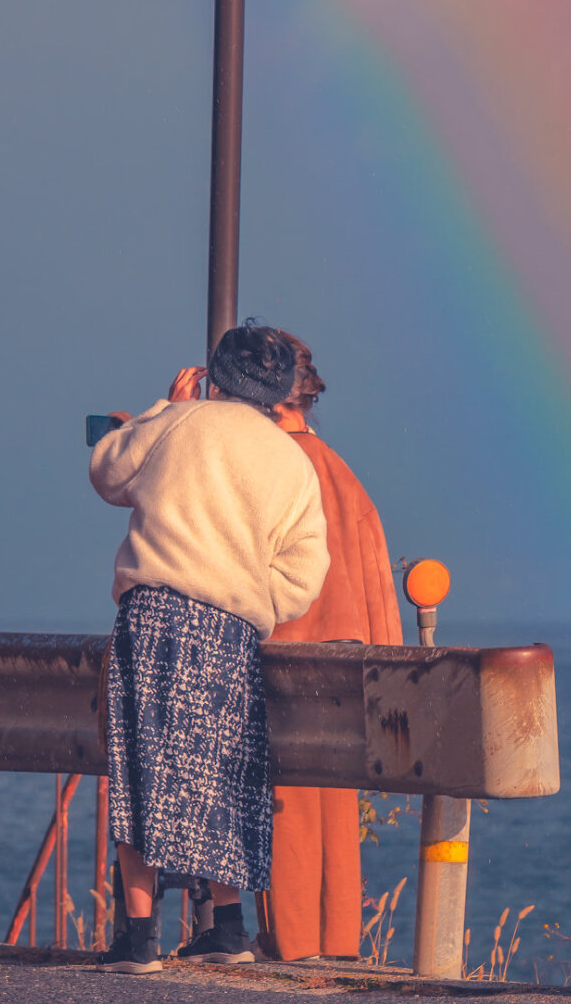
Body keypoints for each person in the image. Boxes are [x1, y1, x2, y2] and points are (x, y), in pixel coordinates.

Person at [89, 323, 329, 973]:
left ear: (213, 375)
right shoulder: (290, 460)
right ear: (280, 392)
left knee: (142, 767)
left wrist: (165, 406)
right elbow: (305, 574)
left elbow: (107, 472)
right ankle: (228, 928)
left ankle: (139, 938)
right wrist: (255, 604)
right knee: (224, 772)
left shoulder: (179, 422)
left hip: (155, 612)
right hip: (232, 627)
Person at [255, 332, 404, 965]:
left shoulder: (272, 469)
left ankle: (289, 952)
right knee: (336, 819)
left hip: (281, 657)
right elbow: (378, 590)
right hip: (348, 669)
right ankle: (338, 950)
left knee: (283, 813)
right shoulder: (345, 474)